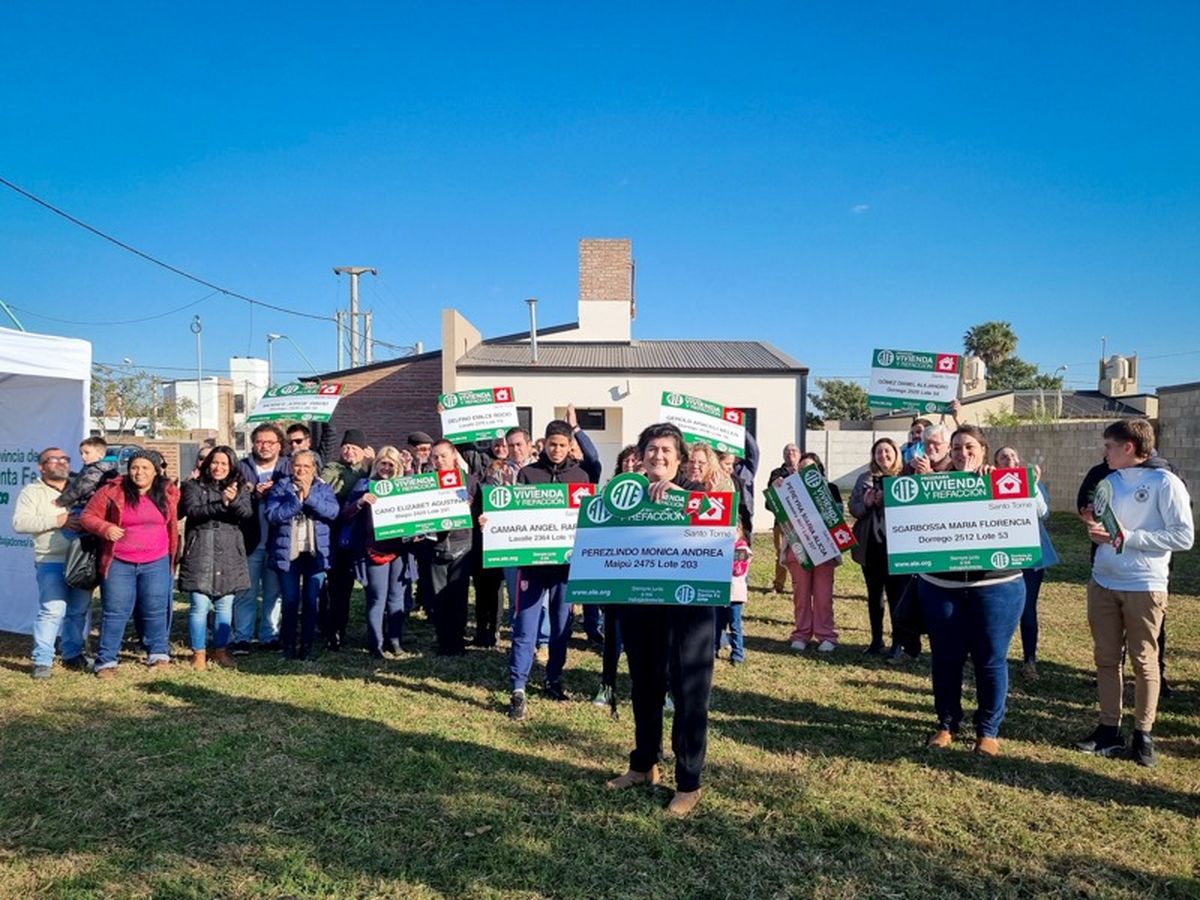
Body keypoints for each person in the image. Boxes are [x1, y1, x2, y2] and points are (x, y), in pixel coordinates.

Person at [606, 423, 715, 816]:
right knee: (645, 686)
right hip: (641, 605)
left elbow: (726, 536)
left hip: (689, 613)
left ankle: (689, 782)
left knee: (689, 694)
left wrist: (679, 501)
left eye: (667, 450)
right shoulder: (624, 499)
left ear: (680, 458)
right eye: (652, 449)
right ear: (641, 455)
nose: (659, 456)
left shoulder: (702, 496)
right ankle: (643, 764)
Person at [1075, 419, 1193, 768]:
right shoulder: (1108, 482)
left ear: (1129, 446)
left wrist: (1131, 538)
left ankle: (1143, 734)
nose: (1104, 452)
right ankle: (1108, 730)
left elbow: (1183, 537)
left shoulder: (1165, 482)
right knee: (1106, 659)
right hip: (1103, 581)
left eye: (1109, 446)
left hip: (1144, 584)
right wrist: (1097, 534)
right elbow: (1107, 528)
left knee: (1144, 662)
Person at [920, 425, 1023, 757]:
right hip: (940, 587)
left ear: (983, 449)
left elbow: (1034, 514)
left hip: (996, 586)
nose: (962, 453)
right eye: (955, 448)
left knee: (990, 660)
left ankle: (988, 731)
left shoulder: (1004, 482)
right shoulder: (932, 486)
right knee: (945, 660)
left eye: (969, 447)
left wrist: (1004, 483)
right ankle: (946, 724)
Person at [507, 420, 593, 719]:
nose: (557, 450)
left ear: (571, 446)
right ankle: (518, 687)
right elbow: (512, 516)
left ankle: (553, 678)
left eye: (563, 445)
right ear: (543, 444)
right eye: (552, 444)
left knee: (560, 626)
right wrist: (493, 525)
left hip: (565, 567)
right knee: (525, 626)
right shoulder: (528, 474)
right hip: (532, 565)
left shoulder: (580, 476)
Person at [81, 450, 180, 678]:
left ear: (156, 471)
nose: (139, 472)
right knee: (115, 612)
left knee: (155, 609)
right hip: (119, 563)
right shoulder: (112, 491)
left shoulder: (168, 492)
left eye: (146, 468)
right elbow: (87, 516)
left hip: (156, 560)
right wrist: (105, 528)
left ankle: (158, 654)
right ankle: (106, 661)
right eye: (135, 467)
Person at [11, 447, 95, 678]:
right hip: (51, 559)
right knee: (52, 610)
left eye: (65, 459)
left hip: (82, 558)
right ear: (41, 466)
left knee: (78, 610)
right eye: (54, 459)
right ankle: (42, 660)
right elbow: (20, 523)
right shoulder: (32, 491)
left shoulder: (81, 487)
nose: (61, 463)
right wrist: (57, 520)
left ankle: (72, 655)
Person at [178, 445, 253, 670]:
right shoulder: (192, 486)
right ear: (207, 463)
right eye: (215, 462)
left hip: (230, 548)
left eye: (224, 463)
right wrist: (222, 504)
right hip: (201, 547)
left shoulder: (239, 487)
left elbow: (247, 514)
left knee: (224, 605)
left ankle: (220, 650)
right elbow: (193, 512)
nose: (218, 467)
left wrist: (235, 501)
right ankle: (198, 653)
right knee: (199, 605)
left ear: (231, 466)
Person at [263, 450, 339, 660]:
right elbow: (272, 515)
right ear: (290, 467)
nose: (301, 470)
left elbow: (333, 512)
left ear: (314, 469)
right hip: (289, 554)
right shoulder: (281, 488)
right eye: (298, 466)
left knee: (311, 600)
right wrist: (296, 501)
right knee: (290, 600)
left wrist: (310, 497)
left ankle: (307, 646)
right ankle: (288, 645)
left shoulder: (323, 488)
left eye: (306, 467)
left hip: (316, 554)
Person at [849, 438, 920, 659]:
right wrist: (868, 503)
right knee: (874, 597)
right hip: (871, 548)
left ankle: (898, 643)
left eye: (887, 452)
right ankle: (876, 640)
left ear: (896, 454)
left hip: (897, 549)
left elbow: (914, 507)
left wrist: (888, 498)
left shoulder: (905, 477)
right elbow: (853, 508)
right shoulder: (864, 479)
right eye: (879, 452)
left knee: (897, 598)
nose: (883, 456)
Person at [993, 447, 1059, 680]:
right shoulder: (989, 484)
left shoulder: (1031, 482)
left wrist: (1032, 486)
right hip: (1001, 555)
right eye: (1003, 457)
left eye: (1013, 456)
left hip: (1030, 556)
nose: (1009, 460)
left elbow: (1042, 512)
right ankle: (994, 656)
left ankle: (1029, 660)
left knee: (1027, 608)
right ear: (996, 464)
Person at [342, 447, 412, 658]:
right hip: (374, 550)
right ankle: (376, 643)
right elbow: (345, 513)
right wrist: (361, 502)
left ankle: (395, 641)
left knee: (397, 598)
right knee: (376, 598)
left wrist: (409, 470)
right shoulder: (365, 485)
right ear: (376, 464)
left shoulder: (403, 486)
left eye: (391, 464)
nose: (387, 468)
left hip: (399, 550)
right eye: (383, 463)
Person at [230, 423, 291, 654]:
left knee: (273, 593)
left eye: (269, 442)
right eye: (259, 442)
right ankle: (242, 637)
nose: (264, 446)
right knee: (246, 591)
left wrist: (275, 491)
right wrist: (253, 494)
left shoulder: (287, 467)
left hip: (279, 542)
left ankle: (269, 635)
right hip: (249, 541)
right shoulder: (241, 467)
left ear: (279, 445)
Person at [592, 445, 640, 714]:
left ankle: (645, 687)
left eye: (635, 461)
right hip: (616, 576)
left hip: (647, 579)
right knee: (613, 637)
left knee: (645, 642)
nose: (630, 465)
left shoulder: (654, 493)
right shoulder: (608, 493)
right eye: (626, 461)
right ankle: (607, 685)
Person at [780, 453, 842, 653]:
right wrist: (778, 488)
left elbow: (838, 517)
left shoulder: (830, 489)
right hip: (798, 548)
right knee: (801, 595)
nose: (806, 471)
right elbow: (772, 507)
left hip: (824, 549)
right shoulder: (788, 489)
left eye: (811, 468)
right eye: (802, 467)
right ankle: (801, 634)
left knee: (824, 595)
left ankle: (826, 635)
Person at [320, 429, 374, 650]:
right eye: (347, 447)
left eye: (355, 448)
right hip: (338, 536)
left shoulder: (370, 469)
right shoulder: (332, 469)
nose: (350, 451)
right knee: (338, 586)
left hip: (365, 536)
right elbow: (329, 489)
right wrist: (366, 469)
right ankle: (335, 630)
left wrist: (370, 467)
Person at [427, 439, 478, 656]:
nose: (439, 461)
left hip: (462, 545)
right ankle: (442, 640)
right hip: (436, 546)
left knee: (458, 595)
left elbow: (480, 514)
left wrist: (470, 508)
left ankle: (457, 642)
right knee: (438, 596)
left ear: (454, 455)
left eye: (443, 456)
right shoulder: (426, 482)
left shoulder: (469, 481)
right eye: (435, 457)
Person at [714, 523, 752, 665]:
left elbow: (737, 570)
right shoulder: (721, 547)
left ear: (739, 531)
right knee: (718, 624)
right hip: (721, 593)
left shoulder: (742, 549)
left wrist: (723, 557)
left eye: (734, 531)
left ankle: (737, 654)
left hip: (735, 594)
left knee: (735, 626)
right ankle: (714, 650)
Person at [768, 444, 802, 593]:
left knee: (801, 554)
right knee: (781, 553)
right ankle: (778, 585)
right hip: (782, 521)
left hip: (802, 521)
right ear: (783, 456)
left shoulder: (804, 471)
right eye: (787, 452)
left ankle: (800, 585)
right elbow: (770, 497)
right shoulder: (776, 473)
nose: (790, 454)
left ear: (800, 455)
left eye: (794, 451)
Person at [55, 436, 117, 511]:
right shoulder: (92, 467)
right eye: (81, 453)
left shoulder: (97, 469)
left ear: (101, 455)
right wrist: (70, 474)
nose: (83, 456)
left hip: (92, 506)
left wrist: (59, 501)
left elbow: (81, 488)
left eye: (87, 453)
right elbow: (83, 477)